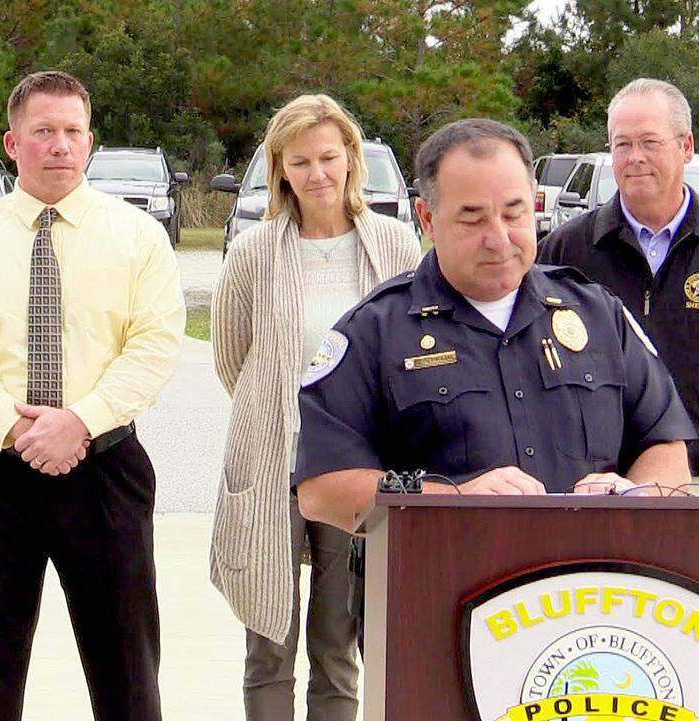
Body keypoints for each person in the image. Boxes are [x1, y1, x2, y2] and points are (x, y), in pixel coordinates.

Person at [0, 70, 185, 721]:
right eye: (43, 131)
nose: (59, 145)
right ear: (13, 142)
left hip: (104, 468)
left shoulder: (137, 237)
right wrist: (19, 430)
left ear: (89, 141)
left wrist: (80, 423)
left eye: (71, 131)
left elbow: (155, 347)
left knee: (126, 666)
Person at [292, 118, 697, 533]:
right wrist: (454, 500)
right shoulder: (374, 331)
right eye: (473, 219)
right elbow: (323, 488)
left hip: (584, 589)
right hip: (436, 587)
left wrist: (633, 494)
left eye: (513, 213)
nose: (499, 238)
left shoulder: (597, 313)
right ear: (427, 219)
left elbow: (665, 443)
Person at [210, 94, 420, 720]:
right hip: (274, 465)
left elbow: (410, 353)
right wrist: (278, 418)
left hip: (354, 468)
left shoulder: (395, 246)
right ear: (280, 168)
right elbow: (234, 360)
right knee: (268, 644)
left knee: (338, 643)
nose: (317, 174)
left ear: (352, 160)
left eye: (329, 158)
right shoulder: (252, 253)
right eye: (300, 162)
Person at [538, 78, 699, 495]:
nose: (634, 157)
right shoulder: (565, 250)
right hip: (588, 487)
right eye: (622, 144)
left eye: (649, 142)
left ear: (687, 146)